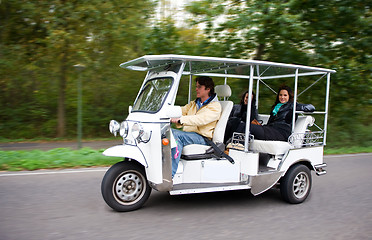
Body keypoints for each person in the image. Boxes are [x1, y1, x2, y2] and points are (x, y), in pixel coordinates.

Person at [170, 76, 222, 177]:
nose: (196, 89)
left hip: (203, 138)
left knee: (175, 134)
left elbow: (200, 119)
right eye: (196, 86)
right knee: (166, 131)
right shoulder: (195, 103)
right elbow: (181, 110)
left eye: (199, 87)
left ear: (208, 89)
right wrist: (166, 113)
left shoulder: (215, 106)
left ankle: (170, 175)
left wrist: (181, 120)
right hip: (190, 135)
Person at [233, 85, 315, 142]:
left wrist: (299, 107)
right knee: (243, 125)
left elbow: (311, 107)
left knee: (248, 127)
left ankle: (234, 148)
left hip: (281, 133)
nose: (282, 97)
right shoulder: (276, 107)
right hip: (271, 130)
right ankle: (233, 146)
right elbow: (270, 122)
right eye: (280, 95)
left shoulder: (292, 105)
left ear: (289, 96)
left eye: (285, 95)